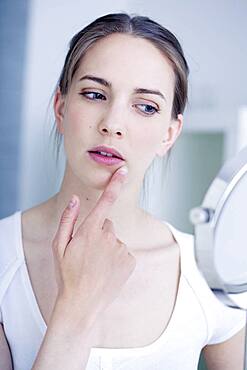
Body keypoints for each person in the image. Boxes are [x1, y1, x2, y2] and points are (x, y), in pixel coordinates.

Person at [0, 12, 246, 370]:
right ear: (61, 107)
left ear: (169, 133)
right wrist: (76, 307)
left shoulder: (208, 274)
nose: (112, 124)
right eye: (94, 94)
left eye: (146, 107)